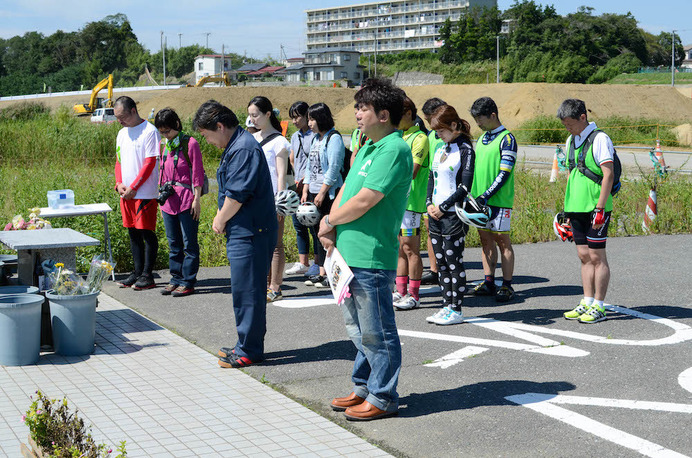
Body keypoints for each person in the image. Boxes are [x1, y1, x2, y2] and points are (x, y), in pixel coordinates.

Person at [318, 78, 411, 421]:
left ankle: (383, 396)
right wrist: (330, 227)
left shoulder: (394, 150)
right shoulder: (368, 147)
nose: (356, 114)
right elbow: (346, 192)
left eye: (363, 108)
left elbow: (366, 200)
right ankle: (363, 386)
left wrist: (330, 220)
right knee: (357, 330)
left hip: (372, 254)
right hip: (348, 251)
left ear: (384, 114)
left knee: (378, 331)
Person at [193, 99, 277, 368]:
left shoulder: (242, 148)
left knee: (249, 294)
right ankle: (245, 343)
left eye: (206, 135)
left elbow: (237, 195)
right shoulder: (238, 144)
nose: (206, 141)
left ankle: (249, 350)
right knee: (244, 292)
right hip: (247, 230)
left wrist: (219, 219)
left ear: (219, 126)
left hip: (251, 232)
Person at [558, 99, 615, 324]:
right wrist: (565, 212)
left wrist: (600, 207)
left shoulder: (600, 139)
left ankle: (599, 305)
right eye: (565, 125)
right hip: (576, 207)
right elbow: (574, 175)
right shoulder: (571, 140)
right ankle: (587, 300)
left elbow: (608, 174)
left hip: (595, 207)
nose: (568, 128)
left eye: (570, 124)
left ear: (583, 117)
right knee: (583, 256)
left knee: (597, 256)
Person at [424, 105, 475, 325]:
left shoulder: (465, 150)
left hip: (453, 215)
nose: (438, 135)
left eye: (441, 131)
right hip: (434, 214)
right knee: (441, 262)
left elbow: (465, 187)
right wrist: (428, 204)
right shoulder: (441, 149)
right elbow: (431, 178)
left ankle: (457, 308)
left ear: (454, 126)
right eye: (436, 131)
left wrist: (443, 207)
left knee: (454, 261)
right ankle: (446, 305)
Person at [469, 97, 518, 302]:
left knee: (502, 242)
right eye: (475, 119)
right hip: (479, 200)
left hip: (498, 201)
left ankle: (507, 285)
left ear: (493, 115)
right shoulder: (482, 138)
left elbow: (504, 173)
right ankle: (489, 281)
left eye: (480, 119)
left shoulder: (507, 138)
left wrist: (486, 195)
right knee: (485, 240)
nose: (478, 123)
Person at [154, 108, 204, 297]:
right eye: (162, 132)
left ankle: (188, 280)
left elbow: (198, 173)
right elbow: (161, 171)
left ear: (176, 124)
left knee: (189, 243)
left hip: (186, 199)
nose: (165, 135)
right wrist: (160, 199)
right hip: (168, 200)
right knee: (173, 242)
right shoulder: (164, 144)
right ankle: (175, 278)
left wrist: (196, 199)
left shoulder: (190, 143)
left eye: (167, 131)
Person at [113, 96, 160, 291]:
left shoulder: (150, 131)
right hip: (127, 193)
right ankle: (137, 271)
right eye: (117, 117)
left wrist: (134, 187)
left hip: (145, 192)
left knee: (146, 232)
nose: (120, 121)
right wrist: (119, 184)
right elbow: (118, 161)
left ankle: (148, 275)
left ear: (133, 110)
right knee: (132, 232)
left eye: (122, 116)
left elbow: (150, 163)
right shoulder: (122, 133)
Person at [247, 96, 291, 302]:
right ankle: (263, 284)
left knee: (275, 244)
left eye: (255, 115)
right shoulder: (252, 139)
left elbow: (281, 174)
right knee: (258, 243)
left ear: (267, 114)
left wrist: (281, 202)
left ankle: (275, 287)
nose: (252, 119)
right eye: (250, 115)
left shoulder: (280, 142)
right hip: (254, 199)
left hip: (273, 198)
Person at [302, 102, 345, 288]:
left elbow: (334, 169)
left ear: (321, 119)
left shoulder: (333, 138)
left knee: (329, 232)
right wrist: (305, 189)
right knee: (316, 232)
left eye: (312, 119)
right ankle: (322, 271)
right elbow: (310, 166)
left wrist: (322, 192)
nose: (309, 123)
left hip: (329, 193)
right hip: (314, 192)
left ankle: (333, 272)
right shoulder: (315, 139)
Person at [393, 96, 429, 310]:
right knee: (398, 248)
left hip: (411, 203)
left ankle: (414, 295)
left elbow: (412, 172)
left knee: (410, 249)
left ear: (409, 114)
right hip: (396, 202)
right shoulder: (400, 136)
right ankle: (401, 291)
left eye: (399, 115)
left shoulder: (420, 138)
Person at [285, 101, 318, 277]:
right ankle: (303, 262)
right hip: (297, 185)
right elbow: (292, 158)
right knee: (298, 225)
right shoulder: (294, 136)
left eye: (297, 117)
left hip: (311, 186)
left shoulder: (315, 136)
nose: (294, 121)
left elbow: (314, 162)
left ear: (307, 116)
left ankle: (317, 263)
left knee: (313, 225)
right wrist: (296, 179)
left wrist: (304, 179)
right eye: (292, 117)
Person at [420, 97, 447, 286]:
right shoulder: (430, 135)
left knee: (449, 234)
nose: (430, 123)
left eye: (431, 118)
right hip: (430, 193)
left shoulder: (454, 134)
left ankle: (448, 268)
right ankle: (434, 269)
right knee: (431, 231)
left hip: (449, 193)